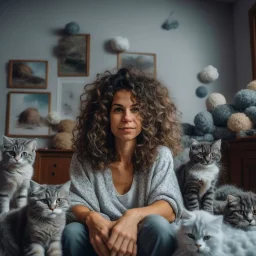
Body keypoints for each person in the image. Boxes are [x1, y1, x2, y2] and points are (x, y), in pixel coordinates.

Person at [62, 68, 183, 256]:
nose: (127, 118)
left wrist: (132, 217)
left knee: (158, 225)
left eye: (135, 109)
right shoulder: (84, 158)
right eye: (118, 109)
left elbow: (170, 207)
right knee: (72, 232)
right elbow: (75, 202)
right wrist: (90, 217)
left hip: (142, 238)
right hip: (101, 240)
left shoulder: (160, 155)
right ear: (103, 116)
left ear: (147, 115)